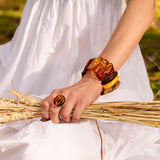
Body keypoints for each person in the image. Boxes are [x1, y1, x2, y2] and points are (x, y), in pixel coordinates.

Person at [0, 0, 159, 160]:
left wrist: (95, 78)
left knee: (39, 150)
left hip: (106, 61)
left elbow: (143, 4)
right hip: (26, 62)